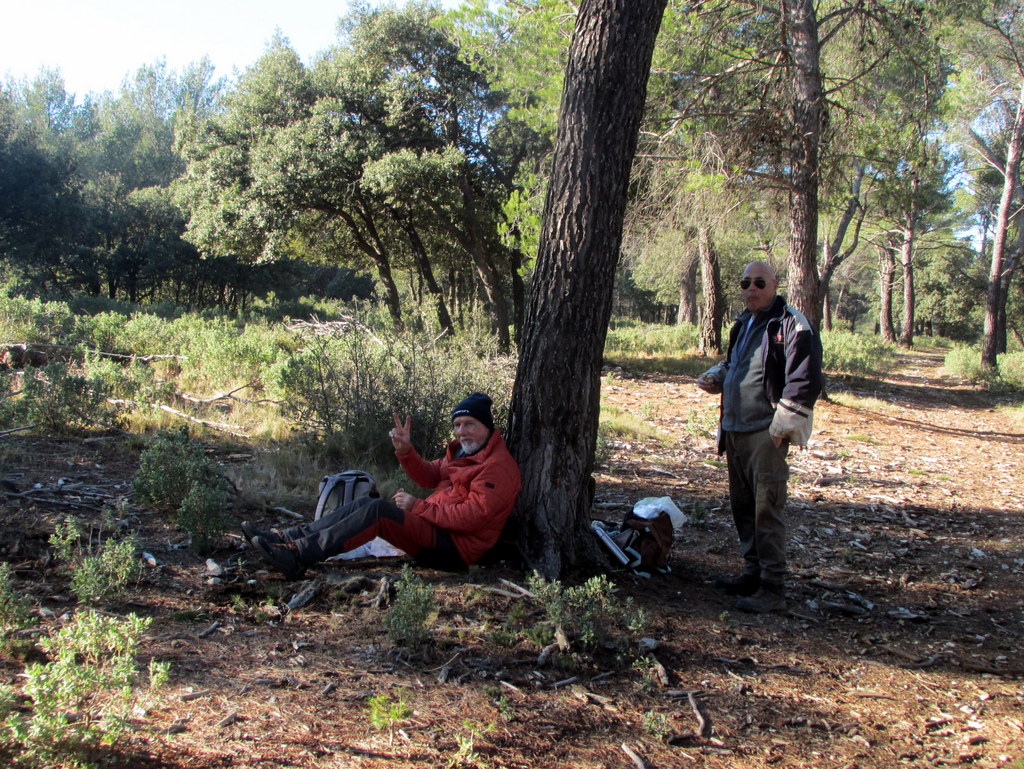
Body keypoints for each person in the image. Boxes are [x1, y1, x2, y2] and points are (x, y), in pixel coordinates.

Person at [244, 392, 522, 580]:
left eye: (469, 424)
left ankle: (297, 556)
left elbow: (473, 518)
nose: (461, 432)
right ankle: (286, 539)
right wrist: (406, 451)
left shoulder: (496, 467)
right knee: (367, 504)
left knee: (378, 511)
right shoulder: (464, 452)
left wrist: (419, 507)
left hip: (456, 549)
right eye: (458, 425)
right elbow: (428, 475)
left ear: (486, 427)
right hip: (436, 531)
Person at [695, 261, 823, 613]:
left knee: (767, 509)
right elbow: (735, 364)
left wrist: (782, 428)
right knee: (743, 507)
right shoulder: (743, 323)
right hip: (734, 430)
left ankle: (772, 586)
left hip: (766, 434)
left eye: (759, 282)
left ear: (774, 284)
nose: (752, 288)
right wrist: (716, 377)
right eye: (745, 282)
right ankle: (752, 573)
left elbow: (806, 379)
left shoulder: (791, 323)